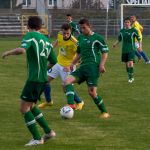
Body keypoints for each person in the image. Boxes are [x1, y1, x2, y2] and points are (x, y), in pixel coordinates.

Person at [1, 16, 57, 146]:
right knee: (31, 106)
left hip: (34, 79)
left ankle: (37, 138)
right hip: (43, 79)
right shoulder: (47, 41)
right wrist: (43, 69)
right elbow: (54, 62)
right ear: (40, 26)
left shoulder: (30, 35)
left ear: (28, 26)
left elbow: (22, 50)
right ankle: (48, 132)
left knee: (23, 108)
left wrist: (7, 52)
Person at [63, 19, 110, 119]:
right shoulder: (80, 38)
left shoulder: (97, 38)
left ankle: (104, 112)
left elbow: (105, 52)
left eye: (84, 27)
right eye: (81, 28)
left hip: (93, 68)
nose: (83, 30)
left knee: (92, 93)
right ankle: (71, 105)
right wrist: (72, 63)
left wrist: (102, 65)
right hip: (83, 67)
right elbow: (79, 53)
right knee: (66, 81)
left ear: (89, 26)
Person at [38, 23, 84, 110]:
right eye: (64, 33)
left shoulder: (75, 42)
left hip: (68, 67)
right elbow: (57, 41)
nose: (66, 35)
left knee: (65, 88)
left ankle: (79, 102)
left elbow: (81, 57)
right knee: (44, 80)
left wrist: (72, 65)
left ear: (71, 31)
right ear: (61, 31)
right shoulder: (59, 34)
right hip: (57, 63)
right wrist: (50, 49)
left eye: (68, 33)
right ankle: (48, 101)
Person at [113, 17, 141, 83]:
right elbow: (119, 39)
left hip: (131, 49)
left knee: (130, 63)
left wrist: (140, 46)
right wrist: (115, 44)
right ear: (124, 23)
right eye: (125, 22)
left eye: (128, 22)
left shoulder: (134, 30)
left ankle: (131, 77)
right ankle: (129, 76)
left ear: (130, 23)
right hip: (124, 50)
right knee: (126, 64)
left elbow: (139, 39)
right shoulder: (122, 31)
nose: (127, 23)